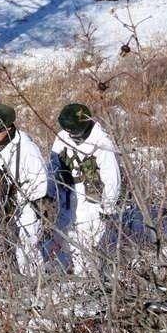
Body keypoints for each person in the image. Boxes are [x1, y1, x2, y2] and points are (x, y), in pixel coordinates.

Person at [0, 103, 51, 275]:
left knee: (29, 250)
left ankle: (36, 282)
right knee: (4, 248)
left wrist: (19, 195)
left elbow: (41, 182)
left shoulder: (27, 148)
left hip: (26, 207)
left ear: (8, 127)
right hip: (2, 206)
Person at [50, 103, 121, 275]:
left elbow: (112, 178)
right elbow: (53, 164)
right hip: (69, 198)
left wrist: (108, 207)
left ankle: (91, 279)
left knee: (89, 245)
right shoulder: (62, 137)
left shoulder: (101, 142)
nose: (72, 135)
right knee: (68, 239)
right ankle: (75, 272)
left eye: (75, 132)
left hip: (92, 203)